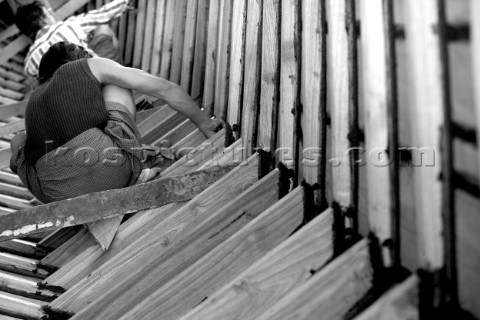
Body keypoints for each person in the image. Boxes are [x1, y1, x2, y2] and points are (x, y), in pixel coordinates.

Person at [10, 42, 223, 204]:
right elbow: (163, 89)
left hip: (58, 195)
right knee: (117, 84)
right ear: (80, 58)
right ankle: (133, 169)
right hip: (112, 171)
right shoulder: (88, 66)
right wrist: (205, 123)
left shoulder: (34, 100)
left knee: (19, 139)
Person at [15, 0, 130, 79]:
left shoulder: (29, 64)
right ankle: (122, 77)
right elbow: (104, 14)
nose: (51, 16)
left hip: (75, 99)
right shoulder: (68, 26)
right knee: (103, 29)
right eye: (49, 13)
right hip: (100, 77)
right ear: (42, 19)